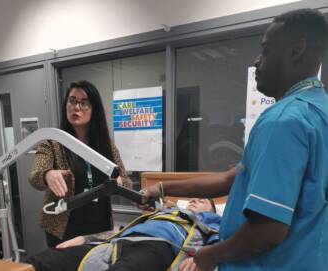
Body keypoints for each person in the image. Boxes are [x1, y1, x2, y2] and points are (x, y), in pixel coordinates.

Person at [142, 8, 328, 271]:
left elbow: (268, 229)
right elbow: (232, 178)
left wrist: (211, 255)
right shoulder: (320, 111)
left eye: (265, 50)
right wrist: (161, 189)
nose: (256, 61)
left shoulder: (283, 120)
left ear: (296, 50)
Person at [29, 80, 132, 247]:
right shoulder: (53, 142)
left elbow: (126, 181)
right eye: (72, 101)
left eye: (84, 103)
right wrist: (47, 174)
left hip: (100, 227)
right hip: (63, 228)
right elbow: (35, 176)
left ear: (94, 109)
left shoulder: (106, 145)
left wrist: (119, 182)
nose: (76, 107)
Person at [26, 198, 221, 271]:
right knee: (46, 260)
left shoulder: (208, 221)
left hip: (157, 246)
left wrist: (202, 258)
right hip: (118, 242)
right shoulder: (160, 213)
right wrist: (85, 239)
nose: (195, 200)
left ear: (211, 211)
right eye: (193, 199)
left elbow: (217, 243)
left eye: (203, 201)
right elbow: (119, 231)